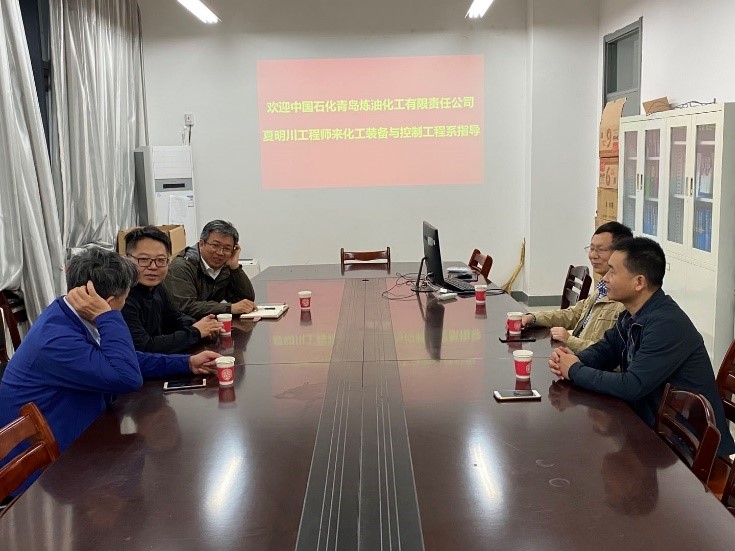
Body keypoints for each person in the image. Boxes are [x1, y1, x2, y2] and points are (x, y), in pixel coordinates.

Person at [0, 248, 220, 493]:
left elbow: (120, 360)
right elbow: (126, 376)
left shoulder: (69, 313)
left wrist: (186, 363)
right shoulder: (57, 338)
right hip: (42, 477)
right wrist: (108, 317)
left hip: (80, 441)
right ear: (110, 301)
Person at [549, 237, 735, 457]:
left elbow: (632, 385)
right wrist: (574, 359)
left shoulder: (666, 324)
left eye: (612, 271)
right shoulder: (633, 314)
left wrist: (574, 370)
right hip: (658, 429)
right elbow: (607, 349)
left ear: (639, 282)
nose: (605, 278)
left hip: (691, 450)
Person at [522, 221, 633, 352]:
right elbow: (574, 314)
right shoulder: (602, 287)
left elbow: (608, 353)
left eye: (601, 250)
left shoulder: (625, 301)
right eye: (591, 248)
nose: (593, 255)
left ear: (620, 254)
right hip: (576, 357)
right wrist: (533, 318)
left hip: (585, 361)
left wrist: (569, 340)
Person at [121, 226, 223, 353]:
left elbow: (174, 318)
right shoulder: (121, 297)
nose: (153, 267)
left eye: (160, 260)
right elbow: (144, 347)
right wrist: (195, 332)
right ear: (126, 259)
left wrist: (201, 325)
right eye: (144, 260)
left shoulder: (157, 287)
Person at [163, 219, 256, 319]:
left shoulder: (225, 267)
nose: (220, 253)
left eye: (227, 248)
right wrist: (229, 308)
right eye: (215, 246)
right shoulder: (181, 267)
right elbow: (186, 307)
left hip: (207, 324)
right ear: (201, 244)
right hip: (181, 325)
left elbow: (246, 302)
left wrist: (235, 268)